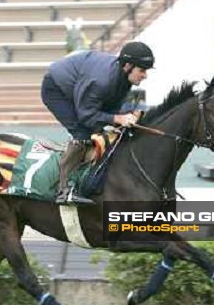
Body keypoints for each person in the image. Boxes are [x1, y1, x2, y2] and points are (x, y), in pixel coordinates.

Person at [41, 40, 155, 205]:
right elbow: (86, 116)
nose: (145, 75)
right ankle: (63, 190)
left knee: (119, 122)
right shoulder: (101, 82)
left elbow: (135, 97)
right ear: (128, 66)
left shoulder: (124, 74)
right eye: (142, 70)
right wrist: (118, 118)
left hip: (83, 83)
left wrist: (137, 111)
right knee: (83, 132)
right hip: (55, 88)